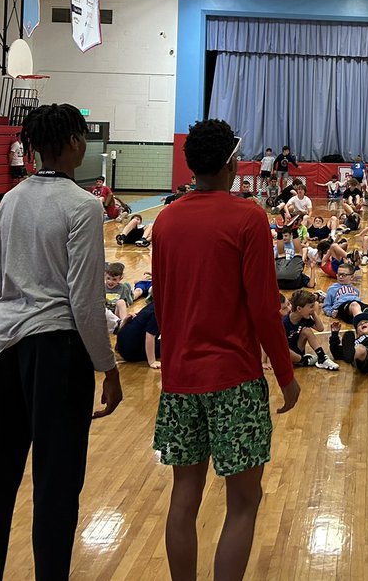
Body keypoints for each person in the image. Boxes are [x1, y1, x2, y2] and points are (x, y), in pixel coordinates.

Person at [0, 103, 122, 581]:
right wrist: (109, 367)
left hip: (3, 349)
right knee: (56, 488)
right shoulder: (83, 206)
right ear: (74, 142)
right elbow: (84, 300)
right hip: (57, 353)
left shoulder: (9, 200)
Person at [151, 118, 299, 581]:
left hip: (179, 380)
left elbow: (162, 298)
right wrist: (286, 375)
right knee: (243, 503)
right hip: (234, 379)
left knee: (184, 495)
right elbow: (263, 308)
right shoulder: (248, 217)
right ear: (232, 162)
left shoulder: (166, 218)